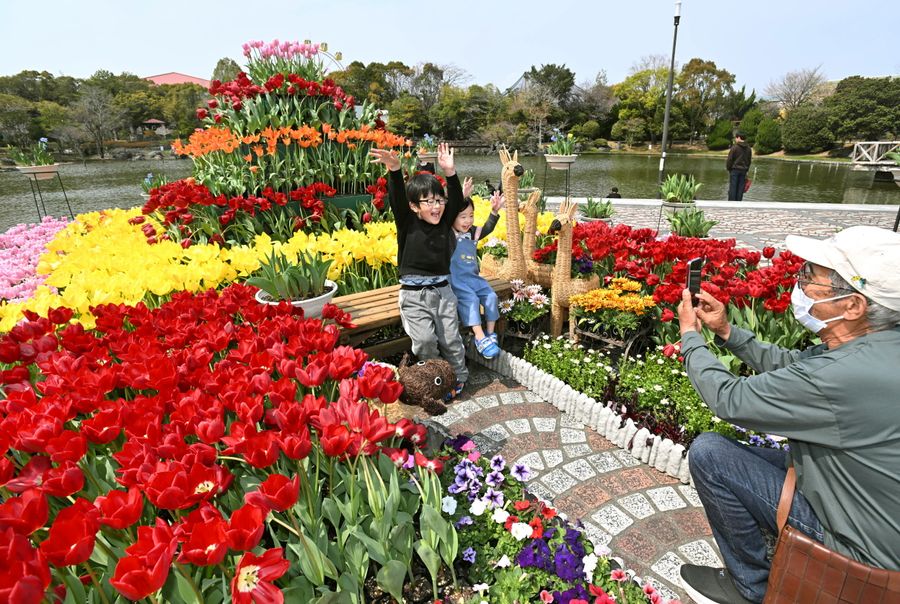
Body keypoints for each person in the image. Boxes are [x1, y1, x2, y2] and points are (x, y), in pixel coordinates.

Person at [675, 225, 900, 604]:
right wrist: (728, 331)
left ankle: (751, 587)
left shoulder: (841, 375)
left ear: (854, 305)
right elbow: (794, 364)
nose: (800, 285)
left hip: (862, 550)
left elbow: (729, 398)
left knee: (710, 454)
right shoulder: (875, 346)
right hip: (865, 509)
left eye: (812, 278)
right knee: (752, 458)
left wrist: (691, 337)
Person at [370, 143, 468, 399]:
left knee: (451, 340)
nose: (436, 207)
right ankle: (436, 381)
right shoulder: (408, 223)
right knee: (424, 341)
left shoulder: (445, 221)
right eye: (428, 202)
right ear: (415, 206)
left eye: (439, 200)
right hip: (414, 296)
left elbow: (456, 200)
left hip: (443, 292)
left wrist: (450, 173)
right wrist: (394, 170)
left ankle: (457, 377)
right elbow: (397, 200)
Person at [450, 188, 505, 359]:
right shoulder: (448, 234)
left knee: (491, 296)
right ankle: (479, 337)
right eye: (463, 216)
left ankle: (490, 334)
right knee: (471, 299)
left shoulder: (473, 232)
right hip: (455, 279)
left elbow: (488, 227)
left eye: (471, 215)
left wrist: (494, 211)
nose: (468, 221)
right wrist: (459, 195)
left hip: (473, 277)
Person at [726, 132, 752, 201]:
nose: (735, 139)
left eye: (736, 138)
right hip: (743, 170)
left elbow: (730, 160)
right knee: (740, 188)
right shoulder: (749, 148)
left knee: (733, 188)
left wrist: (729, 168)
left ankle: (732, 203)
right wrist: (747, 170)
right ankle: (738, 203)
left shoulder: (735, 147)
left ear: (739, 138)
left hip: (734, 170)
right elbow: (749, 161)